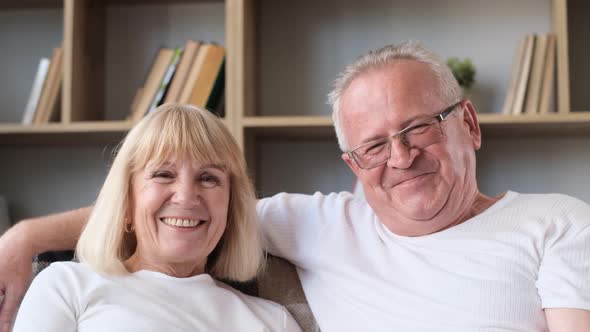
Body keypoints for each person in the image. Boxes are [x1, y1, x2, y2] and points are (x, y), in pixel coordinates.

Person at [1, 42, 589, 331]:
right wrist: (25, 236)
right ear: (351, 163)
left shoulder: (558, 223)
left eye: (418, 128)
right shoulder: (322, 224)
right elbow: (178, 213)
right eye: (375, 145)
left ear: (469, 124)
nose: (402, 157)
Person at [11, 104, 301, 331]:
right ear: (125, 203)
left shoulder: (274, 322)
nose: (186, 196)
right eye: (163, 174)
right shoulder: (68, 286)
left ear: (231, 209)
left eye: (209, 178)